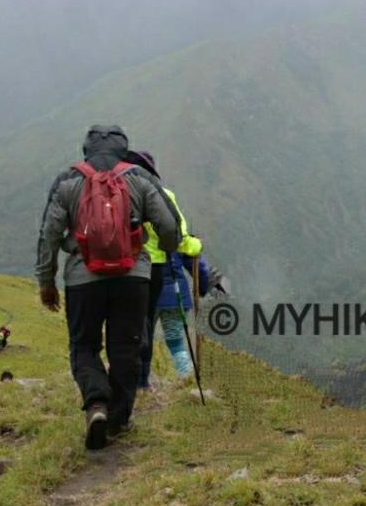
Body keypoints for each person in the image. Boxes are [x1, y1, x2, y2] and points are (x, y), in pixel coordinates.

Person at [35, 125, 180, 450]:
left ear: (86, 149)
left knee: (84, 346)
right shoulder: (140, 178)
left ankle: (97, 404)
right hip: (133, 278)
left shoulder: (68, 181)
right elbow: (169, 227)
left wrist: (47, 282)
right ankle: (119, 419)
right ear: (123, 149)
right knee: (126, 348)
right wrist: (164, 249)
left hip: (82, 278)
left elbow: (48, 235)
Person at [124, 150, 227, 387]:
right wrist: (208, 281)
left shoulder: (126, 201)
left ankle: (141, 384)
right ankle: (187, 377)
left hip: (142, 286)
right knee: (176, 341)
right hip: (175, 294)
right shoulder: (166, 202)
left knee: (142, 338)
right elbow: (187, 250)